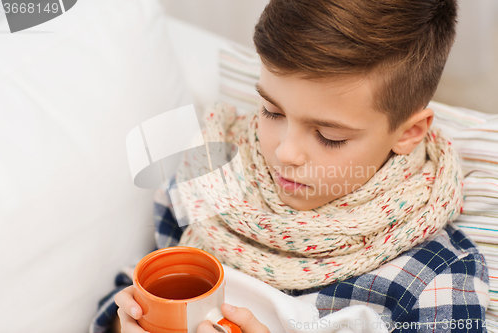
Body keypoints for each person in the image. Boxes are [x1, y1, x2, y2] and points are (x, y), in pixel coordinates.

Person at [90, 0, 490, 332]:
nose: (285, 152)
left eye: (329, 136)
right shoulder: (206, 177)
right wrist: (124, 323)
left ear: (408, 133)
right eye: (270, 111)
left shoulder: (437, 277)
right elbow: (134, 286)